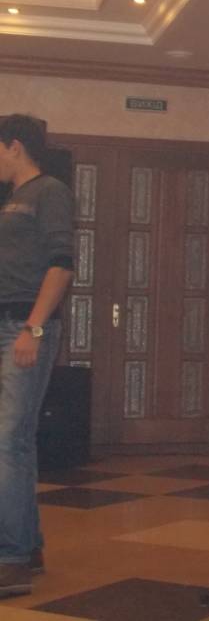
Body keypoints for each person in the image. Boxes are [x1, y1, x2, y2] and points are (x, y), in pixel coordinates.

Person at [0, 114, 74, 598]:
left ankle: (10, 560)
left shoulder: (50, 192)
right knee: (15, 442)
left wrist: (33, 328)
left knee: (7, 441)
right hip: (5, 323)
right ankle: (28, 545)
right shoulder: (10, 198)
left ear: (15, 146)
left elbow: (61, 265)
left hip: (23, 326)